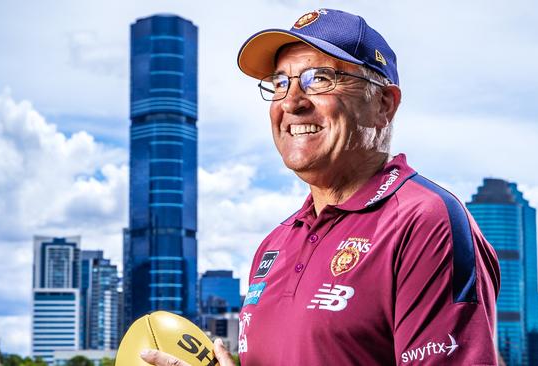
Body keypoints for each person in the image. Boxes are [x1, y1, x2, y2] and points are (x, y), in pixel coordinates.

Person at [142, 8, 500, 366]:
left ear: (383, 105)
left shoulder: (424, 221)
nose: (292, 102)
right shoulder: (275, 243)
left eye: (320, 78)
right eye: (280, 82)